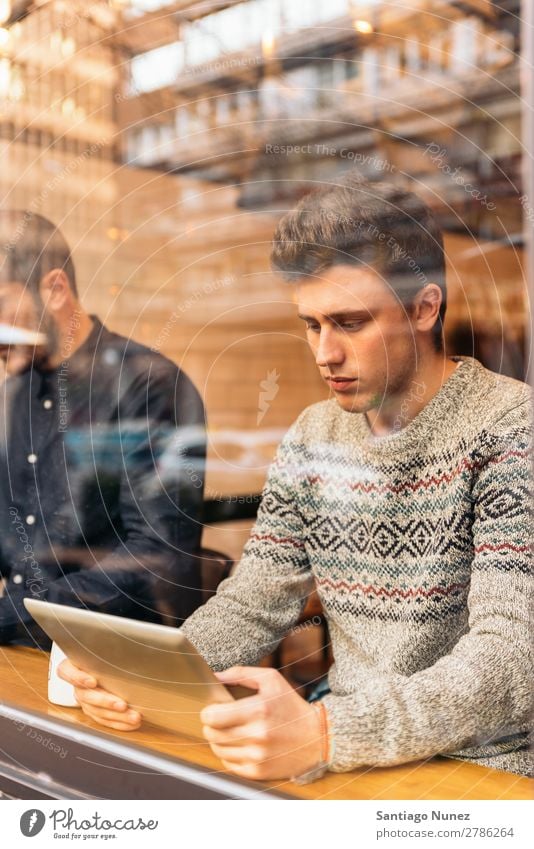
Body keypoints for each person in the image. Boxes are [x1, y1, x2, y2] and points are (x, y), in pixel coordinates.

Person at [60, 175, 532, 782]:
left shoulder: (510, 427)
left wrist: (327, 730)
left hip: (484, 773)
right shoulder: (312, 436)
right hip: (349, 759)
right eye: (312, 324)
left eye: (350, 323)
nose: (323, 353)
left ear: (425, 307)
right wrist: (146, 678)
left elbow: (511, 658)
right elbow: (256, 601)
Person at [0, 210, 206, 646]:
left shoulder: (149, 385)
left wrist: (13, 616)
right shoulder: (15, 392)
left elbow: (154, 557)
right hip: (18, 644)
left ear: (55, 290)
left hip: (110, 654)